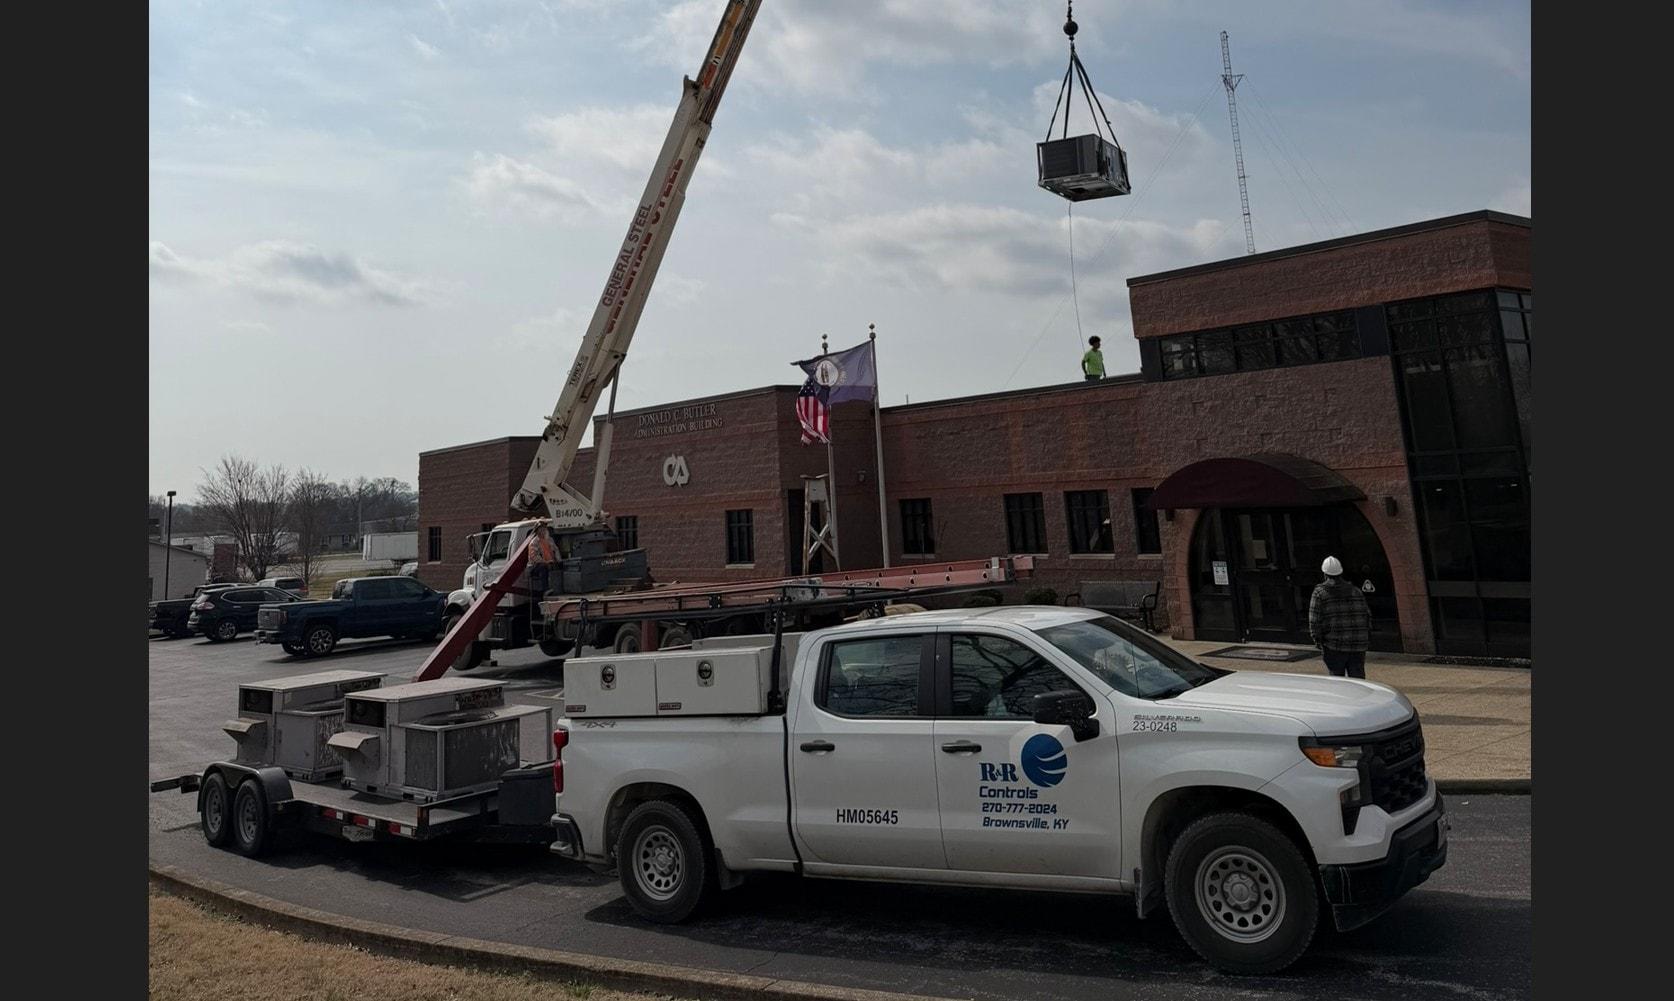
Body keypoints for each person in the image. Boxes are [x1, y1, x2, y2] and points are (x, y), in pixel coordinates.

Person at [1309, 555, 1370, 679]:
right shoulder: (1356, 591)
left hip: (1334, 644)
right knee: (1358, 679)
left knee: (1337, 681)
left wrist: (1318, 640)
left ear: (1324, 574)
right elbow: (1367, 616)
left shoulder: (1320, 593)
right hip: (1358, 644)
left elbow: (1314, 621)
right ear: (1341, 572)